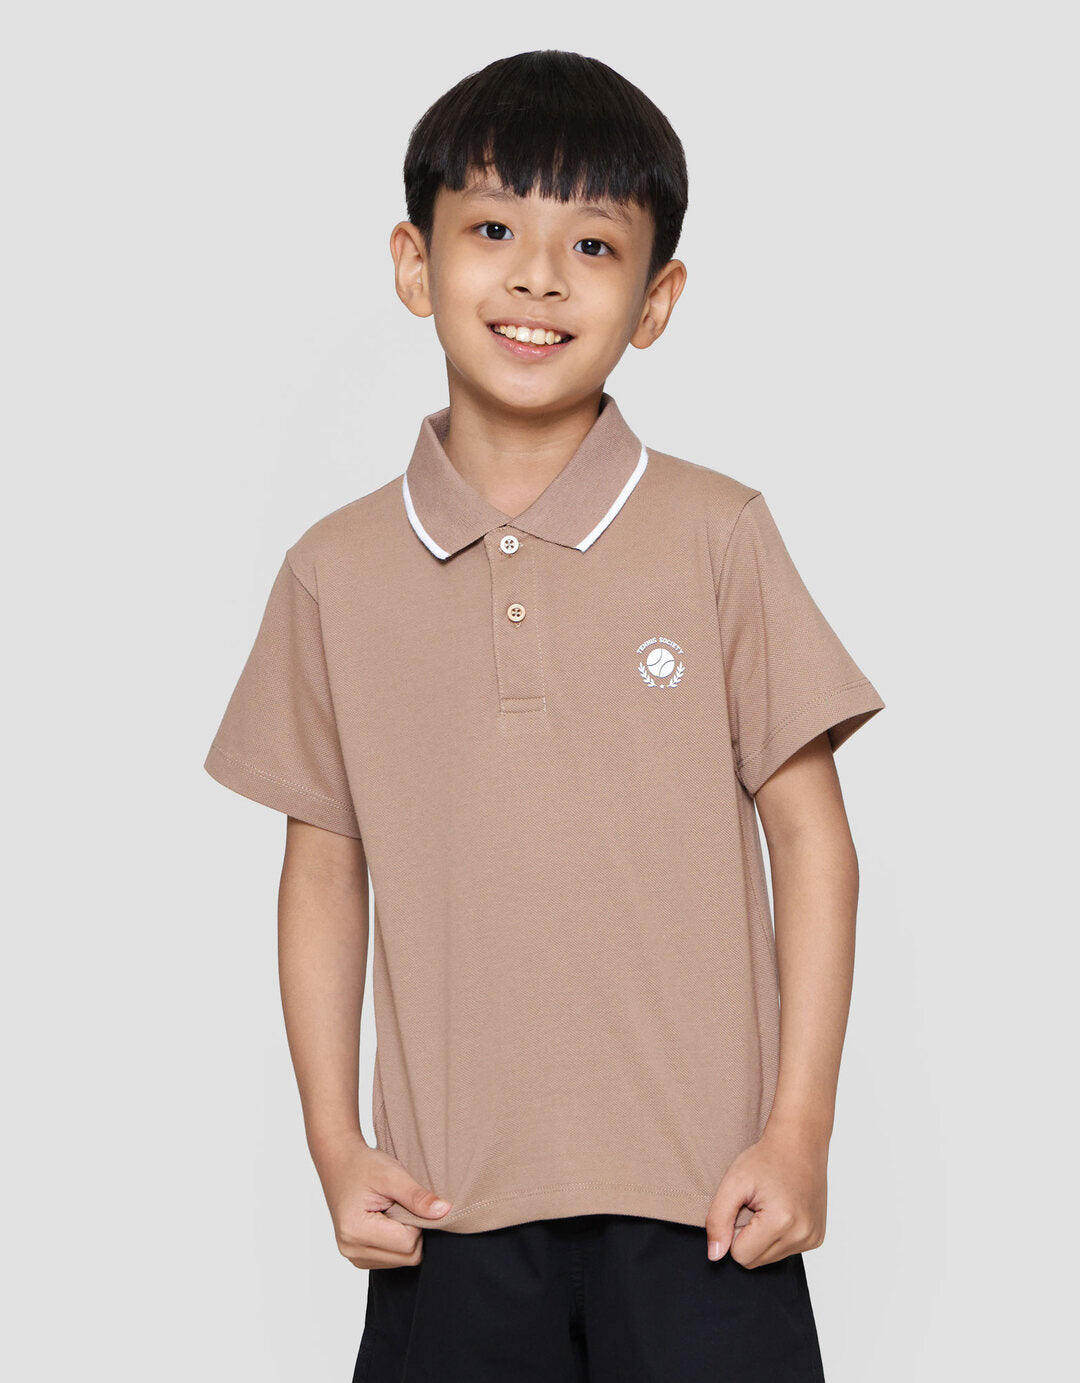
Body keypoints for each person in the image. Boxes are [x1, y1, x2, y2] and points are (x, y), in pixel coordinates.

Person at [204, 48, 885, 1383]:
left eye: (591, 244)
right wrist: (335, 1144)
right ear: (415, 264)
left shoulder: (718, 534)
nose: (536, 277)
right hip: (448, 1209)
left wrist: (799, 1131)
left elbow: (812, 839)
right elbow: (323, 870)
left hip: (706, 1209)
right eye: (493, 231)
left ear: (656, 300)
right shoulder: (335, 571)